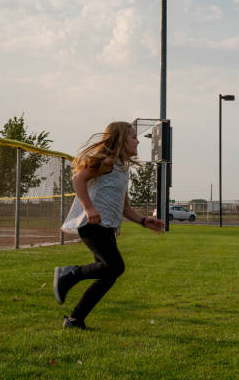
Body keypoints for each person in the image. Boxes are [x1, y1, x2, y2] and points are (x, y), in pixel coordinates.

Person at [54, 122, 165, 330]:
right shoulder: (107, 162)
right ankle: (69, 274)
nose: (138, 140)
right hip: (91, 224)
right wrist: (89, 208)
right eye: (133, 136)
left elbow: (125, 208)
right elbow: (78, 179)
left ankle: (75, 320)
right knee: (114, 267)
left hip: (106, 228)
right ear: (121, 140)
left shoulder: (123, 169)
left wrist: (144, 221)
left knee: (108, 275)